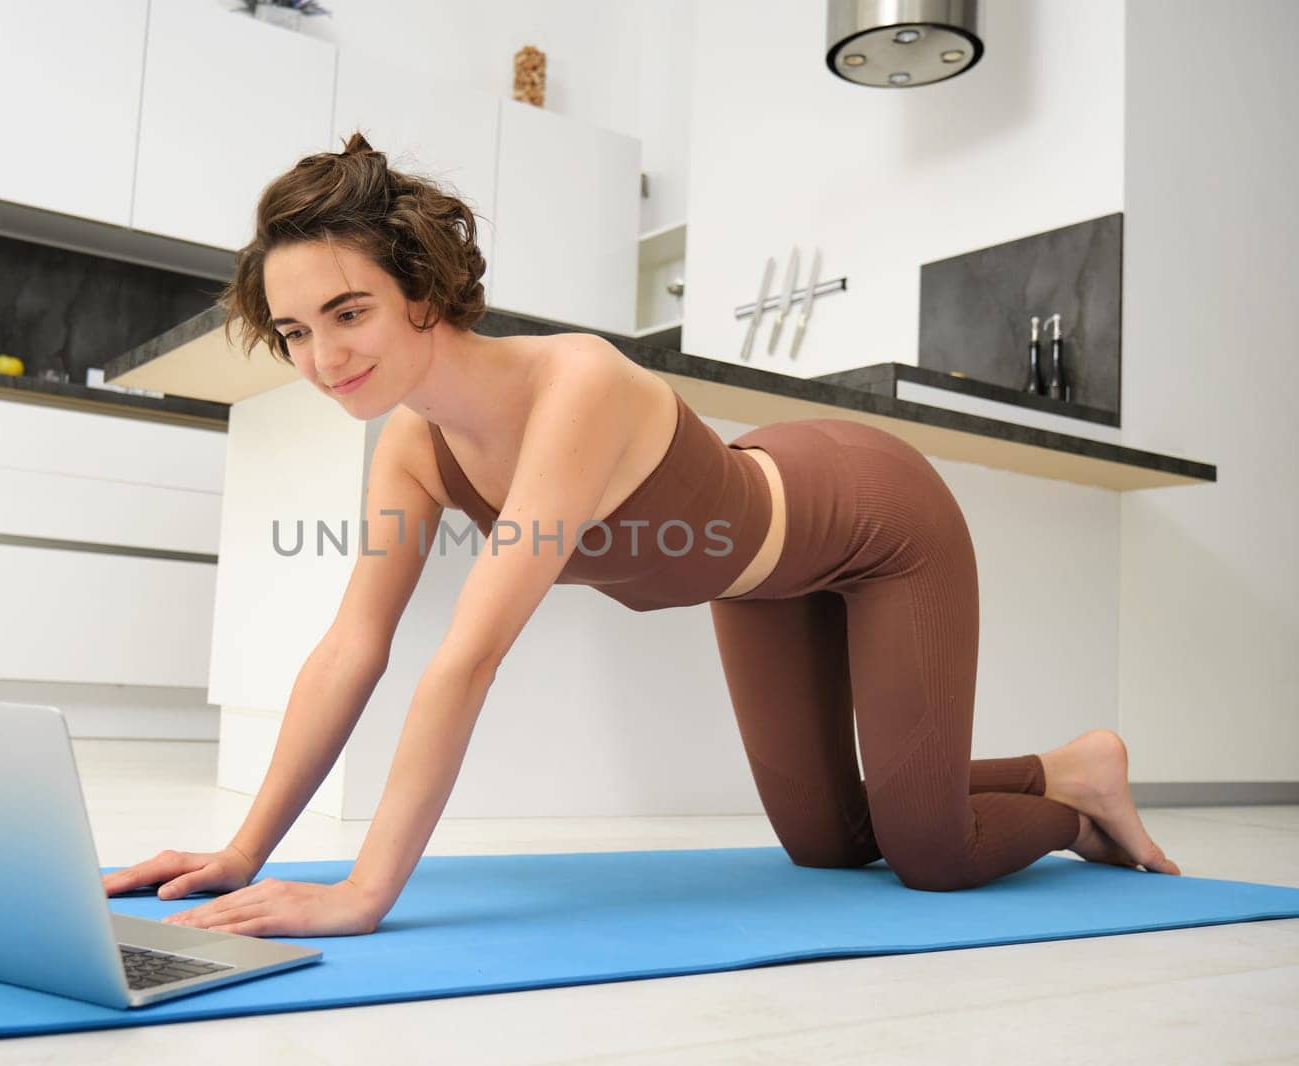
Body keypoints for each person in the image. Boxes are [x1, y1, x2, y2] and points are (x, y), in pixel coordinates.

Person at [101, 133, 1181, 937]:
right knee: (828, 845)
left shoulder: (577, 386)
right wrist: (243, 849)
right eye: (295, 331)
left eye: (349, 312)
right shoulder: (411, 446)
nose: (324, 357)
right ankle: (1052, 775)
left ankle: (1075, 779)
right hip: (757, 574)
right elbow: (354, 647)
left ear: (423, 288)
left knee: (929, 854)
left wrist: (365, 892)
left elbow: (466, 657)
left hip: (875, 521)